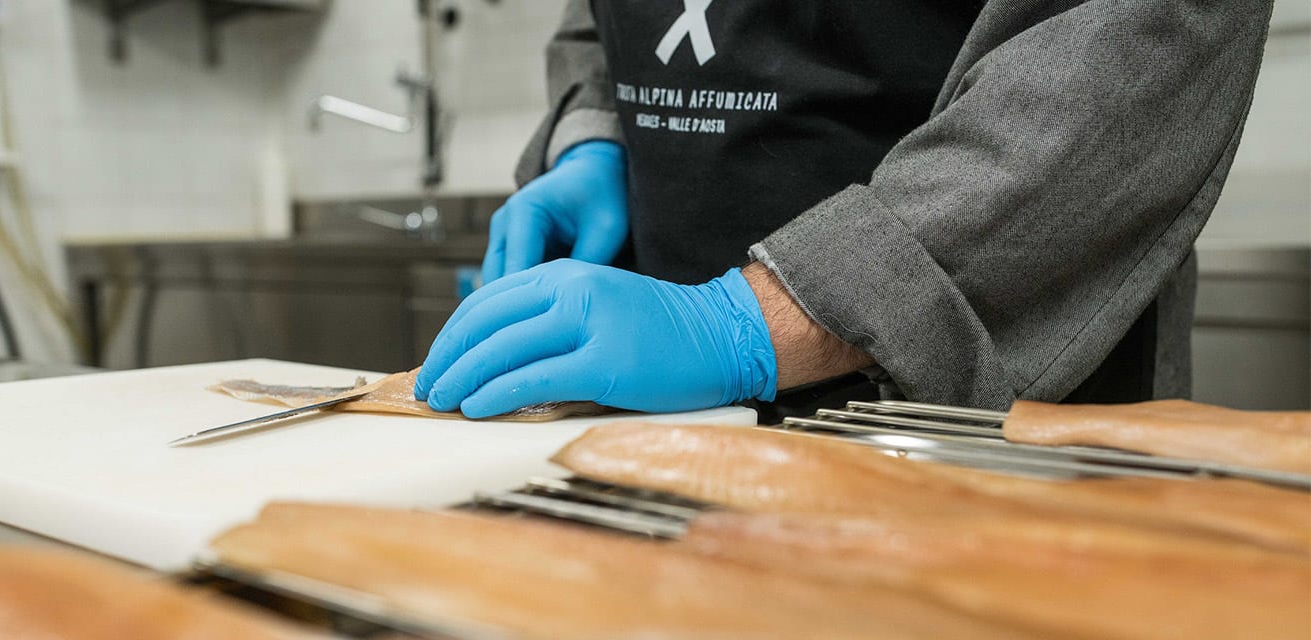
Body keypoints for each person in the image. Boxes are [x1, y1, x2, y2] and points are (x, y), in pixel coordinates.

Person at [414, 0, 1273, 420]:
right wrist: (594, 135)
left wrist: (746, 323)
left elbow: (1127, 44)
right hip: (648, 426)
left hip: (969, 431)